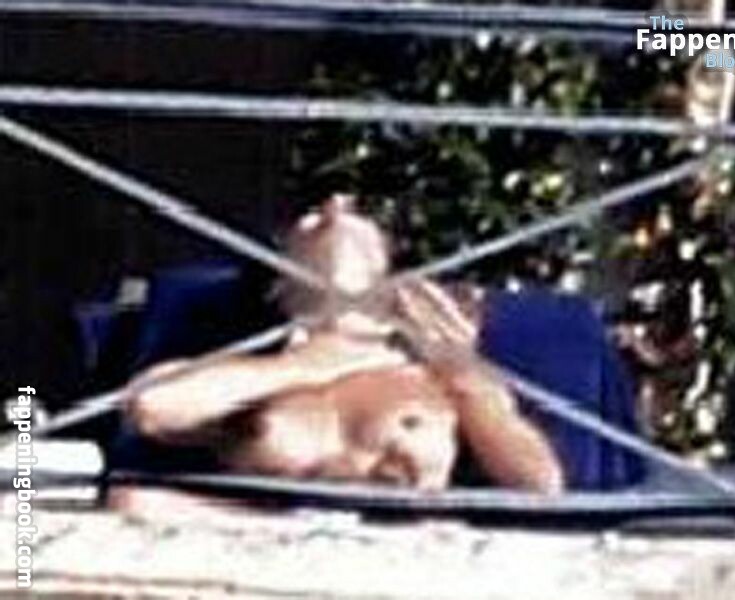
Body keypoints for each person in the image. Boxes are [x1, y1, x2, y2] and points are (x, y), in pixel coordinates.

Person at [108, 196, 564, 514]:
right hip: (264, 543)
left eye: (357, 211)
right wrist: (311, 362)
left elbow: (539, 483)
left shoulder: (435, 368)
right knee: (134, 502)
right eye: (311, 217)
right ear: (280, 285)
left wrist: (461, 370)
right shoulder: (254, 368)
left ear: (388, 270)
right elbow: (150, 406)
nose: (335, 207)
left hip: (398, 555)